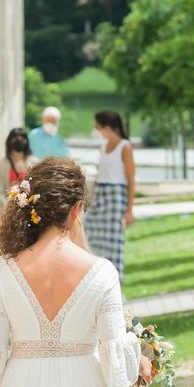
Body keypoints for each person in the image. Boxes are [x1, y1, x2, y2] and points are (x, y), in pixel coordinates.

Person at [0, 157, 150, 387]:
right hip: (84, 381)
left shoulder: (3, 269)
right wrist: (139, 361)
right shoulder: (103, 272)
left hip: (20, 382)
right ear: (76, 209)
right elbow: (114, 347)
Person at [84, 111, 135, 282]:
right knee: (86, 229)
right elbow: (101, 174)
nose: (95, 131)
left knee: (113, 243)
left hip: (116, 197)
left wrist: (129, 211)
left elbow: (131, 179)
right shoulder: (103, 146)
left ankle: (115, 283)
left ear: (106, 128)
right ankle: (95, 278)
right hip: (101, 195)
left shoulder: (125, 146)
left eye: (97, 127)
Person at [0, 128, 38, 217]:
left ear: (26, 141)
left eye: (22, 138)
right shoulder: (0, 165)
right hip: (8, 213)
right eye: (15, 138)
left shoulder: (35, 163)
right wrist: (11, 209)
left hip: (30, 213)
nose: (19, 140)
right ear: (9, 141)